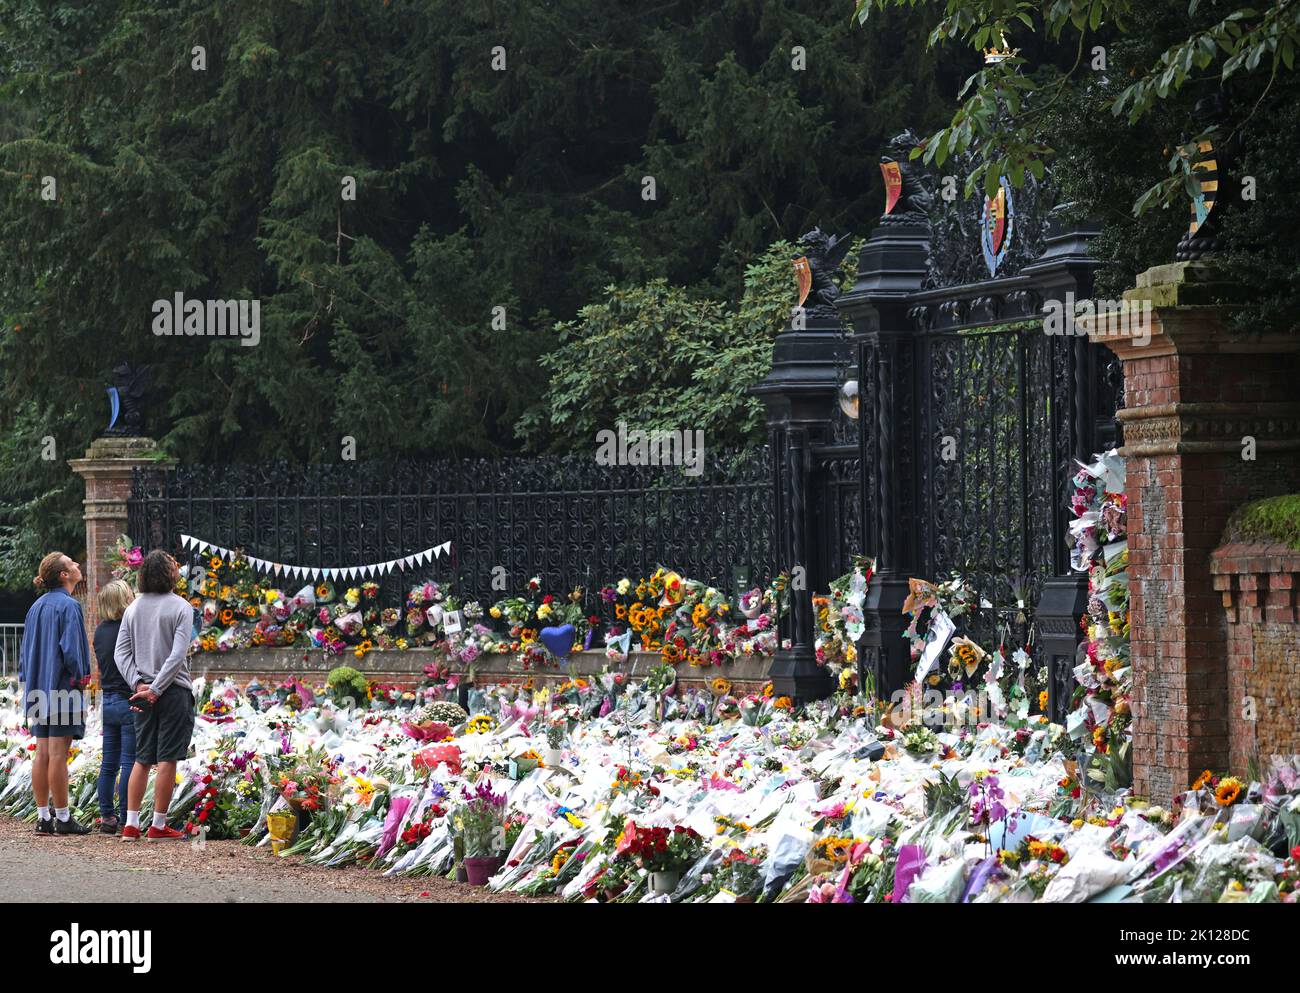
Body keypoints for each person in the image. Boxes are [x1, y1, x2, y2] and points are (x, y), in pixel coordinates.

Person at [114, 550, 196, 842]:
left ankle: (131, 824)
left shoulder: (133, 608)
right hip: (172, 691)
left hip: (142, 691)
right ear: (170, 574)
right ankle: (158, 824)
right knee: (167, 758)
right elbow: (177, 655)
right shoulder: (182, 607)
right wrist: (157, 689)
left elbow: (120, 652)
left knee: (142, 758)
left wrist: (139, 685)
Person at [19, 552, 92, 835]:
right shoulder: (69, 606)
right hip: (63, 686)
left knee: (43, 753)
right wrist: (82, 676)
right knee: (59, 753)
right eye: (72, 563)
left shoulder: (35, 607)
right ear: (64, 575)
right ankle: (62, 818)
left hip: (37, 687)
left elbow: (26, 652)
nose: (76, 566)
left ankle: (42, 817)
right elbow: (72, 649)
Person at [93, 579, 136, 835]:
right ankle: (125, 819)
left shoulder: (99, 631)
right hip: (127, 698)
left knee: (109, 763)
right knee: (129, 760)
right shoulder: (127, 629)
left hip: (107, 700)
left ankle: (107, 816)